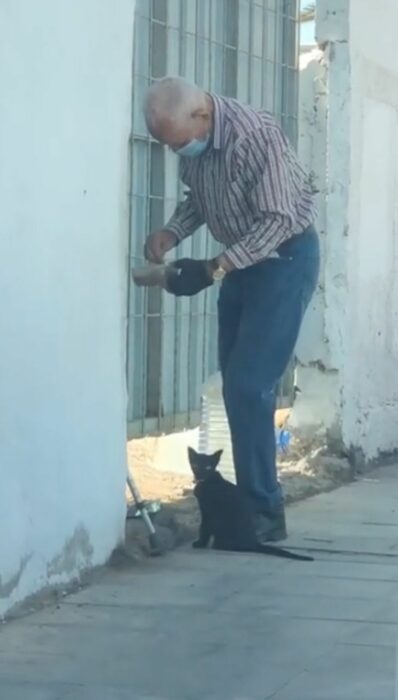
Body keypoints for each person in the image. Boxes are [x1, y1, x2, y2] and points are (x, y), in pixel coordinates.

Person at [140, 76, 319, 542]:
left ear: (202, 116)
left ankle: (264, 511)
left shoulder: (256, 137)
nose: (180, 153)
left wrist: (216, 266)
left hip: (283, 257)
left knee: (248, 384)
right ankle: (251, 505)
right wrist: (172, 232)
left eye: (180, 143)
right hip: (242, 260)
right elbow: (199, 200)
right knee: (235, 383)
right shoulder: (195, 140)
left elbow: (278, 220)